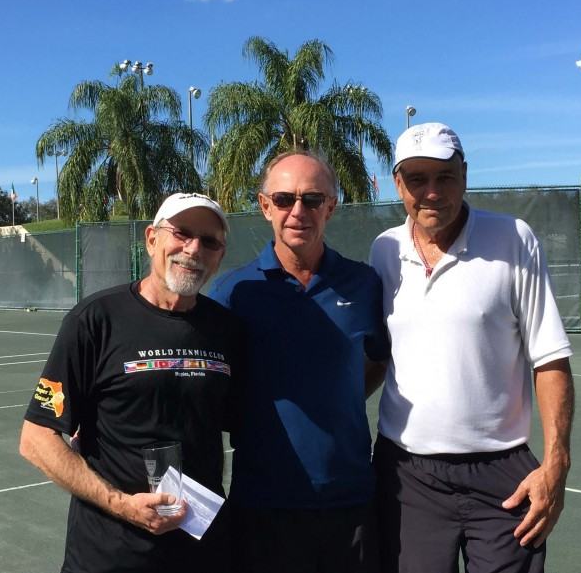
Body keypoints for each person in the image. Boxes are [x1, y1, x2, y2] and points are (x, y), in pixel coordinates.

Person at [369, 123, 575, 573]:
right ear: (398, 183)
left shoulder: (514, 238)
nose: (432, 192)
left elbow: (551, 358)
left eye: (445, 177)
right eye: (417, 179)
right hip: (407, 476)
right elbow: (381, 355)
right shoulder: (383, 250)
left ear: (465, 175)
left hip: (503, 477)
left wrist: (557, 462)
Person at [19, 192, 243, 573]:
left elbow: (236, 428)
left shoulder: (227, 330)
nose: (193, 249)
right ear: (152, 238)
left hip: (200, 553)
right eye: (182, 233)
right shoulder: (95, 320)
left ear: (220, 256)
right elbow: (36, 439)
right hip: (109, 554)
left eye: (209, 241)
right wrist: (124, 505)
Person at [209, 151, 390, 573]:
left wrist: (337, 397)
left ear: (331, 206)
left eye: (311, 199)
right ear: (264, 205)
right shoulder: (234, 292)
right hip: (263, 505)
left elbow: (378, 359)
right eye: (285, 198)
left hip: (350, 502)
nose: (298, 211)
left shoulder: (363, 283)